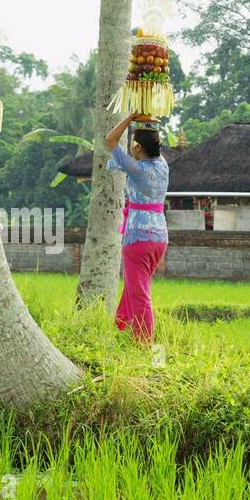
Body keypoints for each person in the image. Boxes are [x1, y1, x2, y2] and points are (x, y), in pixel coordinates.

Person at [105, 113, 170, 342]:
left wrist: (130, 118)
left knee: (140, 293)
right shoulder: (162, 165)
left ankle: (144, 345)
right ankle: (121, 328)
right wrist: (146, 125)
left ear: (138, 146)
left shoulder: (137, 169)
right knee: (135, 287)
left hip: (138, 240)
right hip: (159, 238)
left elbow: (110, 140)